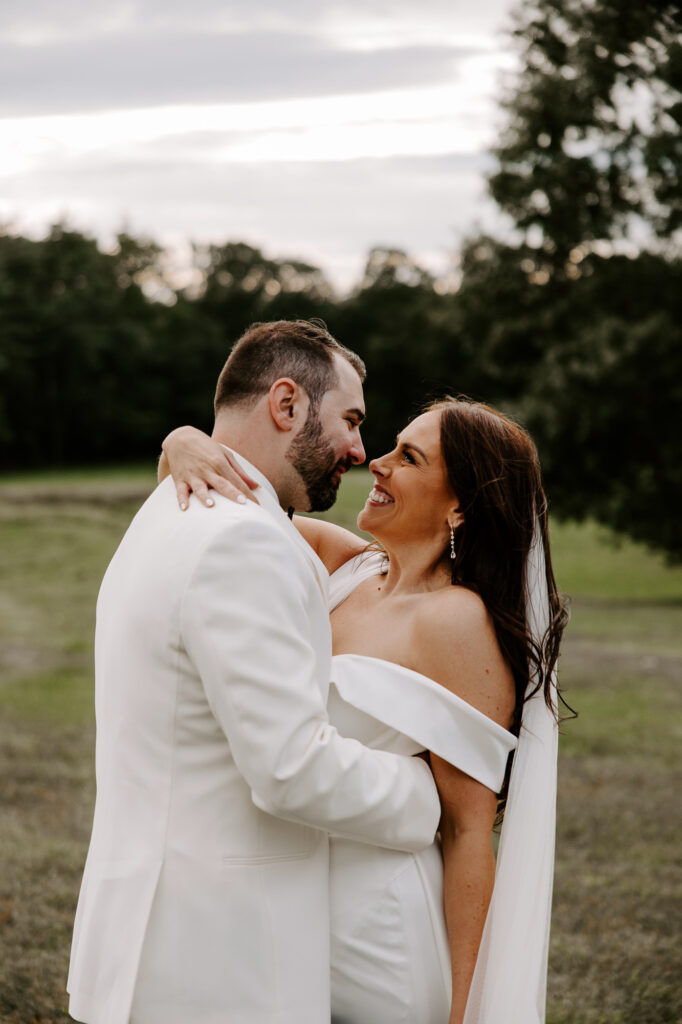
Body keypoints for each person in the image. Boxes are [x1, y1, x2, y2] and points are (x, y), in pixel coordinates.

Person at [66, 320, 443, 1024]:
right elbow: (291, 768)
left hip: (151, 951)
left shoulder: (173, 509)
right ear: (287, 403)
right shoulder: (243, 541)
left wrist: (180, 438)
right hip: (215, 970)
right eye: (351, 421)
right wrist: (431, 793)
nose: (362, 451)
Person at [162, 393, 568, 1024]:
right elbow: (214, 499)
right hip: (295, 915)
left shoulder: (457, 622)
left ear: (459, 505)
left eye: (408, 457)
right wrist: (181, 440)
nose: (376, 462)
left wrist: (468, 1011)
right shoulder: (343, 566)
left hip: (381, 935)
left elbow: (467, 833)